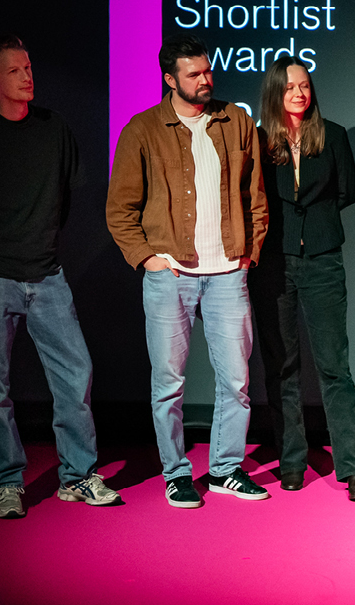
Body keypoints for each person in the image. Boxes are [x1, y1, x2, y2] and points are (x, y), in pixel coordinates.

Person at [0, 34, 122, 518]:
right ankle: (7, 483)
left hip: (46, 277)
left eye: (28, 67)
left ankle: (78, 476)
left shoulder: (54, 128)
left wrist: (38, 246)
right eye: (14, 71)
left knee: (75, 375)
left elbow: (65, 200)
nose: (27, 77)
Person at [106, 33, 269, 508]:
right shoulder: (143, 129)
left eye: (207, 70)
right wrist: (149, 258)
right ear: (169, 79)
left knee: (236, 381)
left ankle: (225, 469)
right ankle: (176, 474)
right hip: (171, 273)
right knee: (169, 384)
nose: (205, 79)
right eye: (194, 74)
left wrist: (249, 253)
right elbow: (120, 209)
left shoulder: (236, 121)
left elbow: (256, 197)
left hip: (228, 273)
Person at [252, 56, 355, 502]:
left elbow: (347, 191)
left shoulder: (333, 135)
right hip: (274, 262)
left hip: (322, 259)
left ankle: (352, 468)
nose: (299, 93)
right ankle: (292, 462)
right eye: (289, 87)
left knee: (334, 366)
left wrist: (313, 225)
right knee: (282, 366)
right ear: (275, 94)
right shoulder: (259, 140)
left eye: (304, 85)